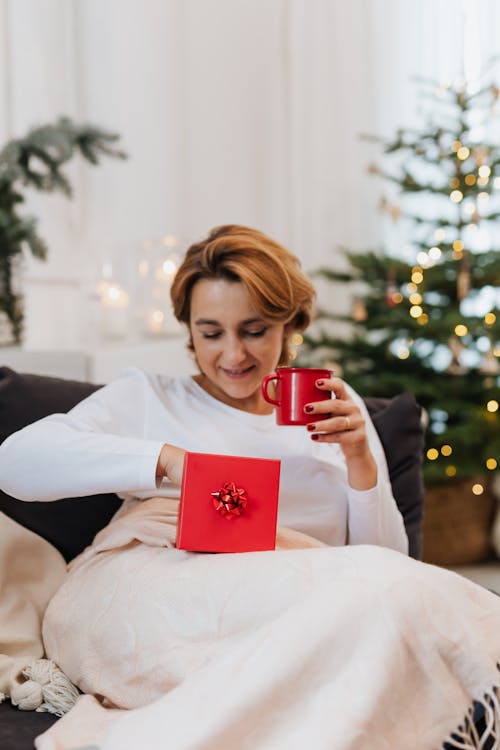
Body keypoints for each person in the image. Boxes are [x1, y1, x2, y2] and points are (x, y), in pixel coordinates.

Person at [0, 225, 499, 750]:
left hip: (304, 593)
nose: (233, 354)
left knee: (394, 596)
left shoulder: (331, 409)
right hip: (155, 578)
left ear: (290, 323)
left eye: (255, 330)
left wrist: (359, 460)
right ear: (189, 332)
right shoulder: (147, 398)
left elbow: (389, 564)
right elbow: (14, 462)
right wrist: (167, 460)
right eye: (211, 332)